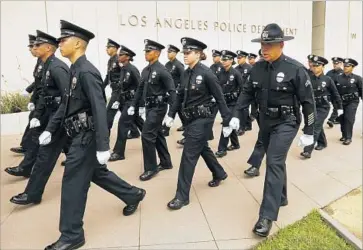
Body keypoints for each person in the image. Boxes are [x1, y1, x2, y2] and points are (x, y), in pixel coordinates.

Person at [41, 20, 145, 250]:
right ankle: (133, 194)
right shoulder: (74, 70)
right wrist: (50, 129)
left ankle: (71, 235)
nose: (59, 44)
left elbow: (99, 108)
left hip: (86, 138)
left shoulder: (87, 72)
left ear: (78, 43)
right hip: (77, 135)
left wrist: (102, 145)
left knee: (72, 184)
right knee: (98, 174)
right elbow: (65, 106)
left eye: (63, 40)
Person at [229, 23, 316, 237]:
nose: (264, 49)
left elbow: (308, 102)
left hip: (287, 122)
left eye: (269, 44)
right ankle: (282, 196)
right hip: (265, 122)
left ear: (281, 45)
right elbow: (246, 94)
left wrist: (309, 130)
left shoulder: (295, 69)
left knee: (274, 162)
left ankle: (266, 215)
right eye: (262, 44)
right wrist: (235, 116)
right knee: (277, 160)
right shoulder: (257, 68)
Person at [163, 37, 231, 210]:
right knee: (202, 148)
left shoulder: (207, 73)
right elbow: (179, 96)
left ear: (199, 54)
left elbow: (220, 98)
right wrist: (171, 114)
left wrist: (227, 121)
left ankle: (182, 196)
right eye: (184, 52)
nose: (185, 55)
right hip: (190, 119)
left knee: (188, 156)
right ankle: (219, 173)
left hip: (203, 120)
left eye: (188, 52)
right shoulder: (186, 73)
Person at [9, 30, 70, 204]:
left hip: (60, 117)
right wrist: (37, 114)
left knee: (45, 155)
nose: (33, 47)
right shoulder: (46, 65)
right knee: (84, 160)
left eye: (37, 45)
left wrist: (52, 126)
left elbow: (68, 99)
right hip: (52, 114)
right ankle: (130, 193)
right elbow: (44, 93)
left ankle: (32, 193)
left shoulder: (57, 68)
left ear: (49, 48)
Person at [128, 39, 175, 181]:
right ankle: (166, 162)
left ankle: (151, 168)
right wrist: (133, 105)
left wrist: (171, 114)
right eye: (146, 51)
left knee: (147, 135)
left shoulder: (162, 70)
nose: (146, 54)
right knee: (157, 133)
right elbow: (140, 90)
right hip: (149, 107)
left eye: (149, 51)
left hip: (159, 108)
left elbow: (172, 92)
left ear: (157, 53)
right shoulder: (146, 70)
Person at [300, 56, 342, 159]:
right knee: (316, 125)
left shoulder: (327, 79)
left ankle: (307, 151)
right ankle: (322, 142)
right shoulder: (308, 78)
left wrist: (339, 107)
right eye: (313, 65)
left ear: (322, 67)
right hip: (311, 107)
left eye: (317, 65)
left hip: (323, 107)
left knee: (314, 126)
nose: (314, 67)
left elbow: (335, 94)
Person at [109, 45, 144, 161]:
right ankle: (154, 140)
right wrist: (118, 100)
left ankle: (119, 152)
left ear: (128, 57)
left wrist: (139, 104)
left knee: (122, 124)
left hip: (132, 102)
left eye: (121, 55)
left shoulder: (132, 69)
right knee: (141, 124)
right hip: (126, 101)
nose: (119, 56)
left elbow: (141, 87)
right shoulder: (123, 69)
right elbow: (121, 87)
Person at [10, 34, 43, 155]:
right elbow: (39, 81)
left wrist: (32, 96)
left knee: (51, 127)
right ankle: (26, 146)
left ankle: (28, 148)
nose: (30, 50)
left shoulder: (46, 62)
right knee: (33, 121)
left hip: (45, 100)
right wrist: (30, 91)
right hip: (40, 98)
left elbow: (42, 83)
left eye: (32, 47)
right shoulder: (40, 61)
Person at [215, 50, 242, 158]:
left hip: (233, 103)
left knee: (226, 124)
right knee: (230, 123)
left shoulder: (236, 73)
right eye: (223, 59)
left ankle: (222, 149)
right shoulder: (220, 73)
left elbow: (242, 89)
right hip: (223, 103)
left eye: (226, 60)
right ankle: (235, 144)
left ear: (231, 60)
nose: (223, 62)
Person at [336, 58, 362, 145]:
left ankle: (348, 137)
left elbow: (361, 90)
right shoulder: (338, 78)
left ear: (352, 67)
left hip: (352, 101)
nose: (346, 67)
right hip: (341, 101)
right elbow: (334, 91)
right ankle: (344, 135)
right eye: (345, 66)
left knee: (349, 118)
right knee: (341, 118)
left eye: (348, 66)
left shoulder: (357, 78)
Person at [161, 44, 185, 136]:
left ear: (175, 53)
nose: (168, 54)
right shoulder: (167, 64)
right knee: (179, 109)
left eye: (170, 52)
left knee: (172, 109)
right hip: (168, 91)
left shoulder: (178, 65)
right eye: (168, 52)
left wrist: (179, 90)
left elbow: (184, 78)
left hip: (175, 92)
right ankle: (186, 125)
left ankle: (165, 129)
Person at [234, 50, 252, 136]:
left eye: (240, 58)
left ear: (245, 58)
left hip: (247, 92)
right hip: (238, 92)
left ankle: (242, 127)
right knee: (241, 109)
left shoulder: (249, 68)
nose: (238, 60)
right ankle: (247, 125)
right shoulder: (236, 69)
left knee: (244, 109)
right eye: (237, 58)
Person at [326, 57, 344, 127]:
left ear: (341, 64)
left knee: (337, 107)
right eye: (334, 63)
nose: (335, 65)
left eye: (337, 63)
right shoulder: (329, 73)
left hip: (339, 94)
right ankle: (337, 119)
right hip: (330, 94)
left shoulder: (343, 73)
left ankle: (331, 119)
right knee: (336, 107)